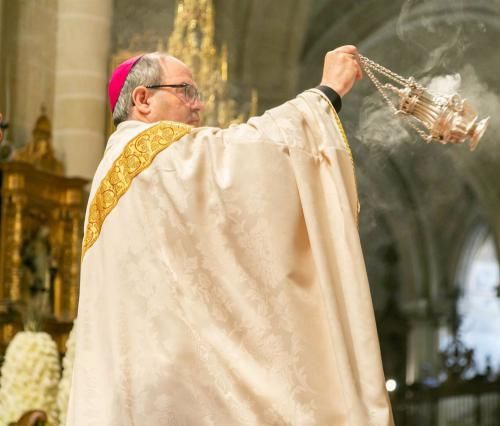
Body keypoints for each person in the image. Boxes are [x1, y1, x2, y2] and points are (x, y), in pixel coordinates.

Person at [66, 45, 394, 425]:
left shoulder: (114, 171)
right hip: (171, 387)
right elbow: (246, 158)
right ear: (143, 99)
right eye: (185, 91)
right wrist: (326, 93)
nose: (198, 106)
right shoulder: (147, 152)